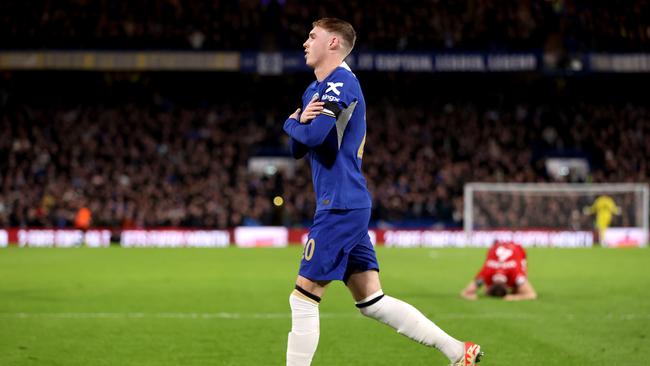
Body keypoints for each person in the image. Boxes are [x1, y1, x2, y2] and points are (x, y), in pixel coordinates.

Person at [283, 18, 482, 366]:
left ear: (333, 43)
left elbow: (312, 139)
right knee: (372, 301)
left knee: (303, 296)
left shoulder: (340, 83)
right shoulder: (313, 90)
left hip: (340, 205)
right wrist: (299, 126)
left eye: (312, 36)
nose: (305, 42)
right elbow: (298, 150)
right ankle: (457, 351)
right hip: (345, 203)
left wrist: (291, 123)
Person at [460, 240, 537, 301]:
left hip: (517, 249)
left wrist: (514, 297)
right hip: (498, 249)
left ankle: (516, 288)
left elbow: (531, 294)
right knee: (520, 289)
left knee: (518, 290)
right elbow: (531, 294)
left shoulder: (515, 274)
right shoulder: (488, 272)